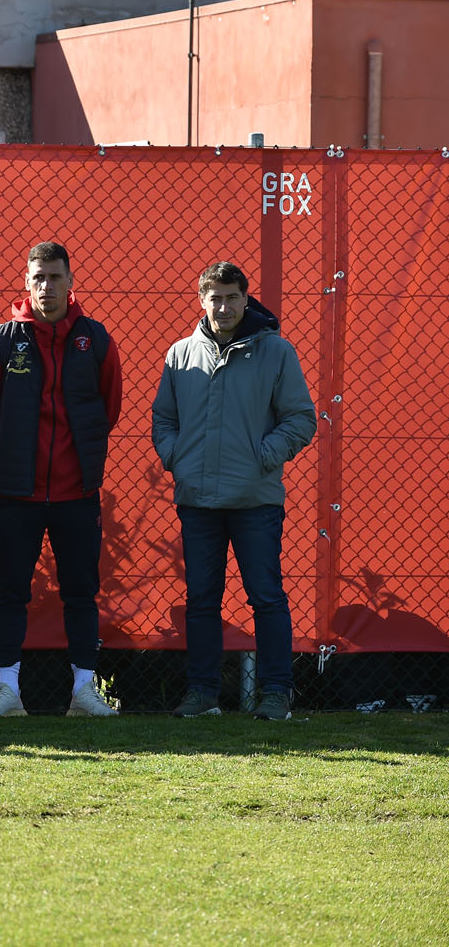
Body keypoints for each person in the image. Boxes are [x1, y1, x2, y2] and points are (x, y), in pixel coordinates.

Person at [153, 260, 315, 720]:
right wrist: (177, 457)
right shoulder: (180, 354)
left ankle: (276, 694)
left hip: (255, 500)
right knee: (201, 601)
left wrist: (262, 457)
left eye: (231, 298)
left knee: (266, 598)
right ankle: (202, 694)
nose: (223, 307)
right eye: (215, 298)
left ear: (246, 299)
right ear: (201, 301)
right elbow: (164, 418)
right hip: (197, 501)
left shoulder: (277, 352)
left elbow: (300, 419)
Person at [0, 241, 122, 718]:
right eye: (38, 277)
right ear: (26, 282)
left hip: (78, 492)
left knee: (81, 592)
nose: (46, 286)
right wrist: (13, 451)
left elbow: (108, 409)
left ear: (71, 281)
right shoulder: (2, 339)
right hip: (18, 492)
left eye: (55, 277)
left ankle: (84, 693)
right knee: (10, 590)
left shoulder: (95, 340)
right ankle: (8, 692)